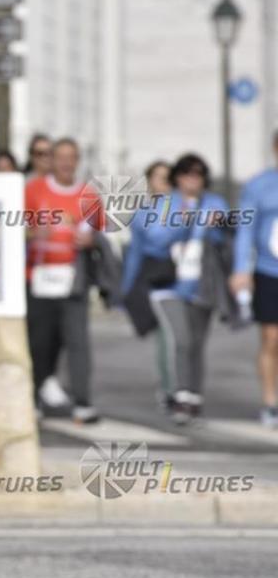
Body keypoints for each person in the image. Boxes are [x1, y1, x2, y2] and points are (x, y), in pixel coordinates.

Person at [122, 154, 229, 424]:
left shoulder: (214, 203)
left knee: (196, 343)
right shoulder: (163, 204)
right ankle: (179, 394)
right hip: (168, 284)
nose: (192, 180)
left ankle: (194, 395)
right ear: (177, 178)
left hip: (201, 284)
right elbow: (155, 240)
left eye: (198, 174)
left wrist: (218, 225)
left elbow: (226, 237)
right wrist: (183, 221)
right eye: (186, 174)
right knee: (180, 339)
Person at [24, 138, 102, 424]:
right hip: (39, 278)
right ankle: (33, 398)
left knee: (78, 341)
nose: (66, 163)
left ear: (77, 161)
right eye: (61, 157)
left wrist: (90, 240)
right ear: (52, 160)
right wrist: (35, 233)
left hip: (73, 279)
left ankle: (82, 401)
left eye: (72, 157)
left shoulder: (88, 195)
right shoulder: (33, 190)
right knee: (40, 342)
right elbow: (17, 228)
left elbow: (98, 233)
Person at [121, 159, 177, 408]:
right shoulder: (143, 213)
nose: (164, 182)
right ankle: (168, 387)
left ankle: (183, 387)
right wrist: (126, 288)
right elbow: (136, 252)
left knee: (183, 339)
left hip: (184, 279)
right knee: (166, 336)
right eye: (159, 177)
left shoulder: (184, 207)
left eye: (168, 177)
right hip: (158, 276)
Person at [232, 130, 278, 427]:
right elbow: (245, 230)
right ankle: (270, 402)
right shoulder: (259, 185)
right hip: (269, 270)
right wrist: (241, 269)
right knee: (271, 338)